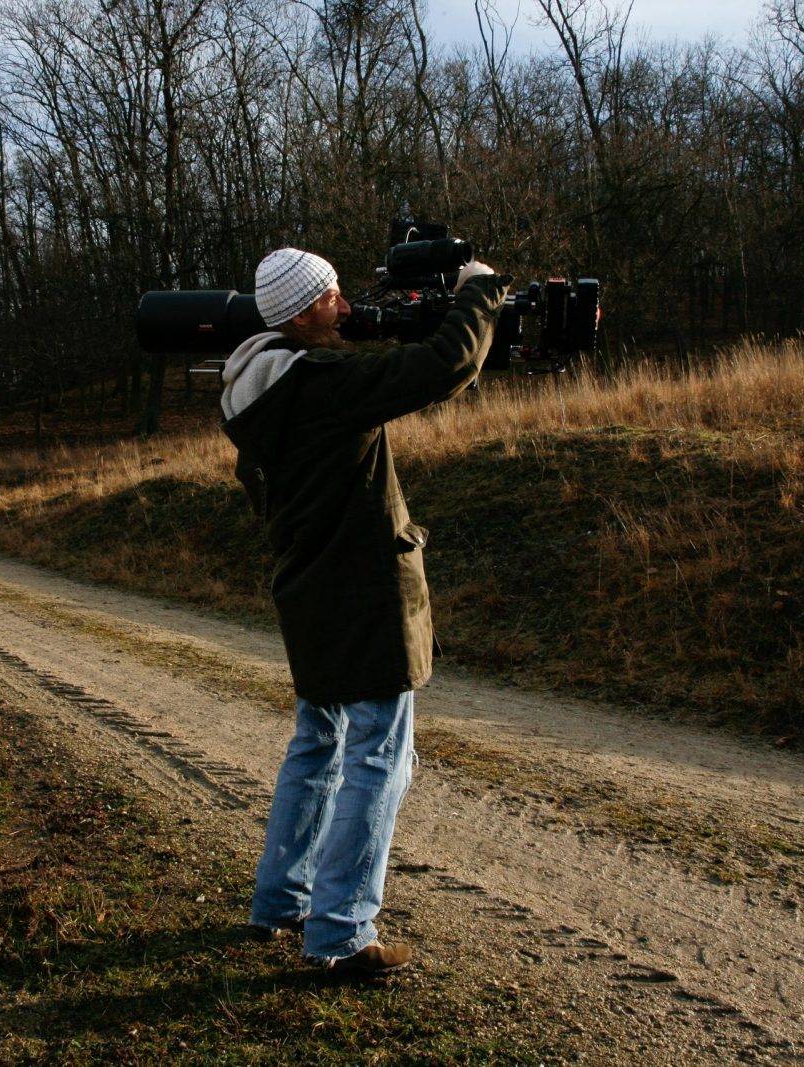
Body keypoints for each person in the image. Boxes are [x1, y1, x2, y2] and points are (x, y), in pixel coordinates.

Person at [219, 246, 511, 975]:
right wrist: (479, 293)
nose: (346, 308)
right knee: (379, 754)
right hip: (365, 590)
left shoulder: (258, 386)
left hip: (307, 589)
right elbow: (445, 367)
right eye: (332, 298)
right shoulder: (323, 384)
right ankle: (343, 931)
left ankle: (281, 901)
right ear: (301, 311)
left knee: (318, 743)